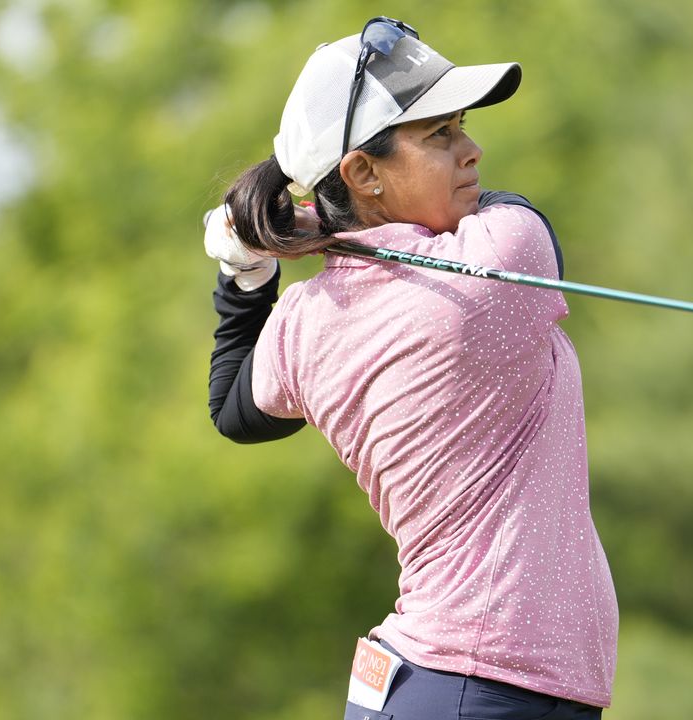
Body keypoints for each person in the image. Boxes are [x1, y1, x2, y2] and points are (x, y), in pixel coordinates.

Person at [204, 17, 616, 719]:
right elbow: (517, 217)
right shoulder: (500, 259)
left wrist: (245, 275)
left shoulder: (304, 321)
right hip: (475, 689)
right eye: (440, 135)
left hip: (445, 685)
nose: (473, 151)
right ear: (362, 173)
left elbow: (235, 411)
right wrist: (305, 235)